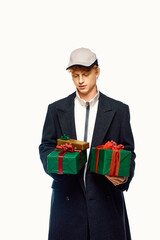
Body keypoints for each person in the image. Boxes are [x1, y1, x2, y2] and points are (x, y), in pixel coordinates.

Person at [39, 47, 136, 240]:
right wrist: (58, 166)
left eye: (85, 74)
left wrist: (123, 177)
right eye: (75, 75)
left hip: (106, 206)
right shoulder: (56, 109)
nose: (80, 80)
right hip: (66, 204)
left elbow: (128, 152)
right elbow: (46, 146)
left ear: (97, 72)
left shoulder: (119, 110)